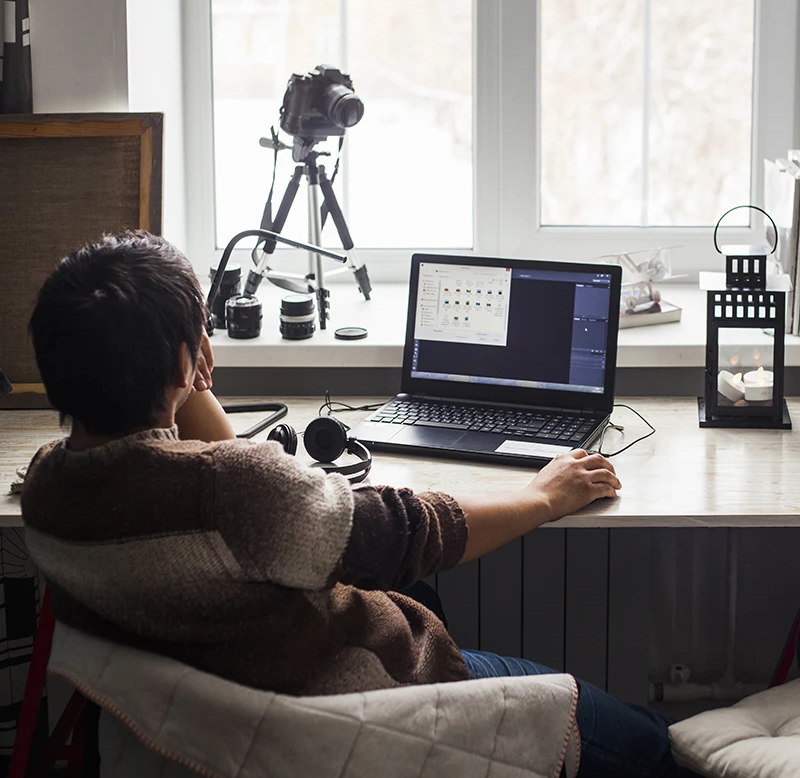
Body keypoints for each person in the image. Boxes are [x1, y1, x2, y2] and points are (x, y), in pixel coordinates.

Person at [21, 231, 694, 777]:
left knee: (423, 590)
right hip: (347, 700)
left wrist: (179, 364)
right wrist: (542, 495)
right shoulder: (237, 493)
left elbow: (215, 478)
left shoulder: (50, 488)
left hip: (222, 683)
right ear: (185, 358)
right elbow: (408, 530)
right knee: (642, 742)